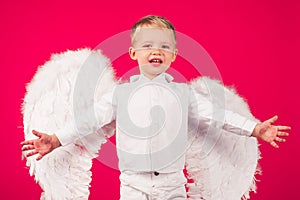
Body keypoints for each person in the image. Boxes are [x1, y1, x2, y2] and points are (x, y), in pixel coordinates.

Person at [21, 15, 291, 200]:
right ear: (133, 53)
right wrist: (56, 139)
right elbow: (89, 121)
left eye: (164, 46)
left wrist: (254, 128)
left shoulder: (184, 94)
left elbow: (218, 115)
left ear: (173, 55)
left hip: (172, 186)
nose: (156, 51)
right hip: (132, 187)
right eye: (148, 45)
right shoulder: (120, 94)